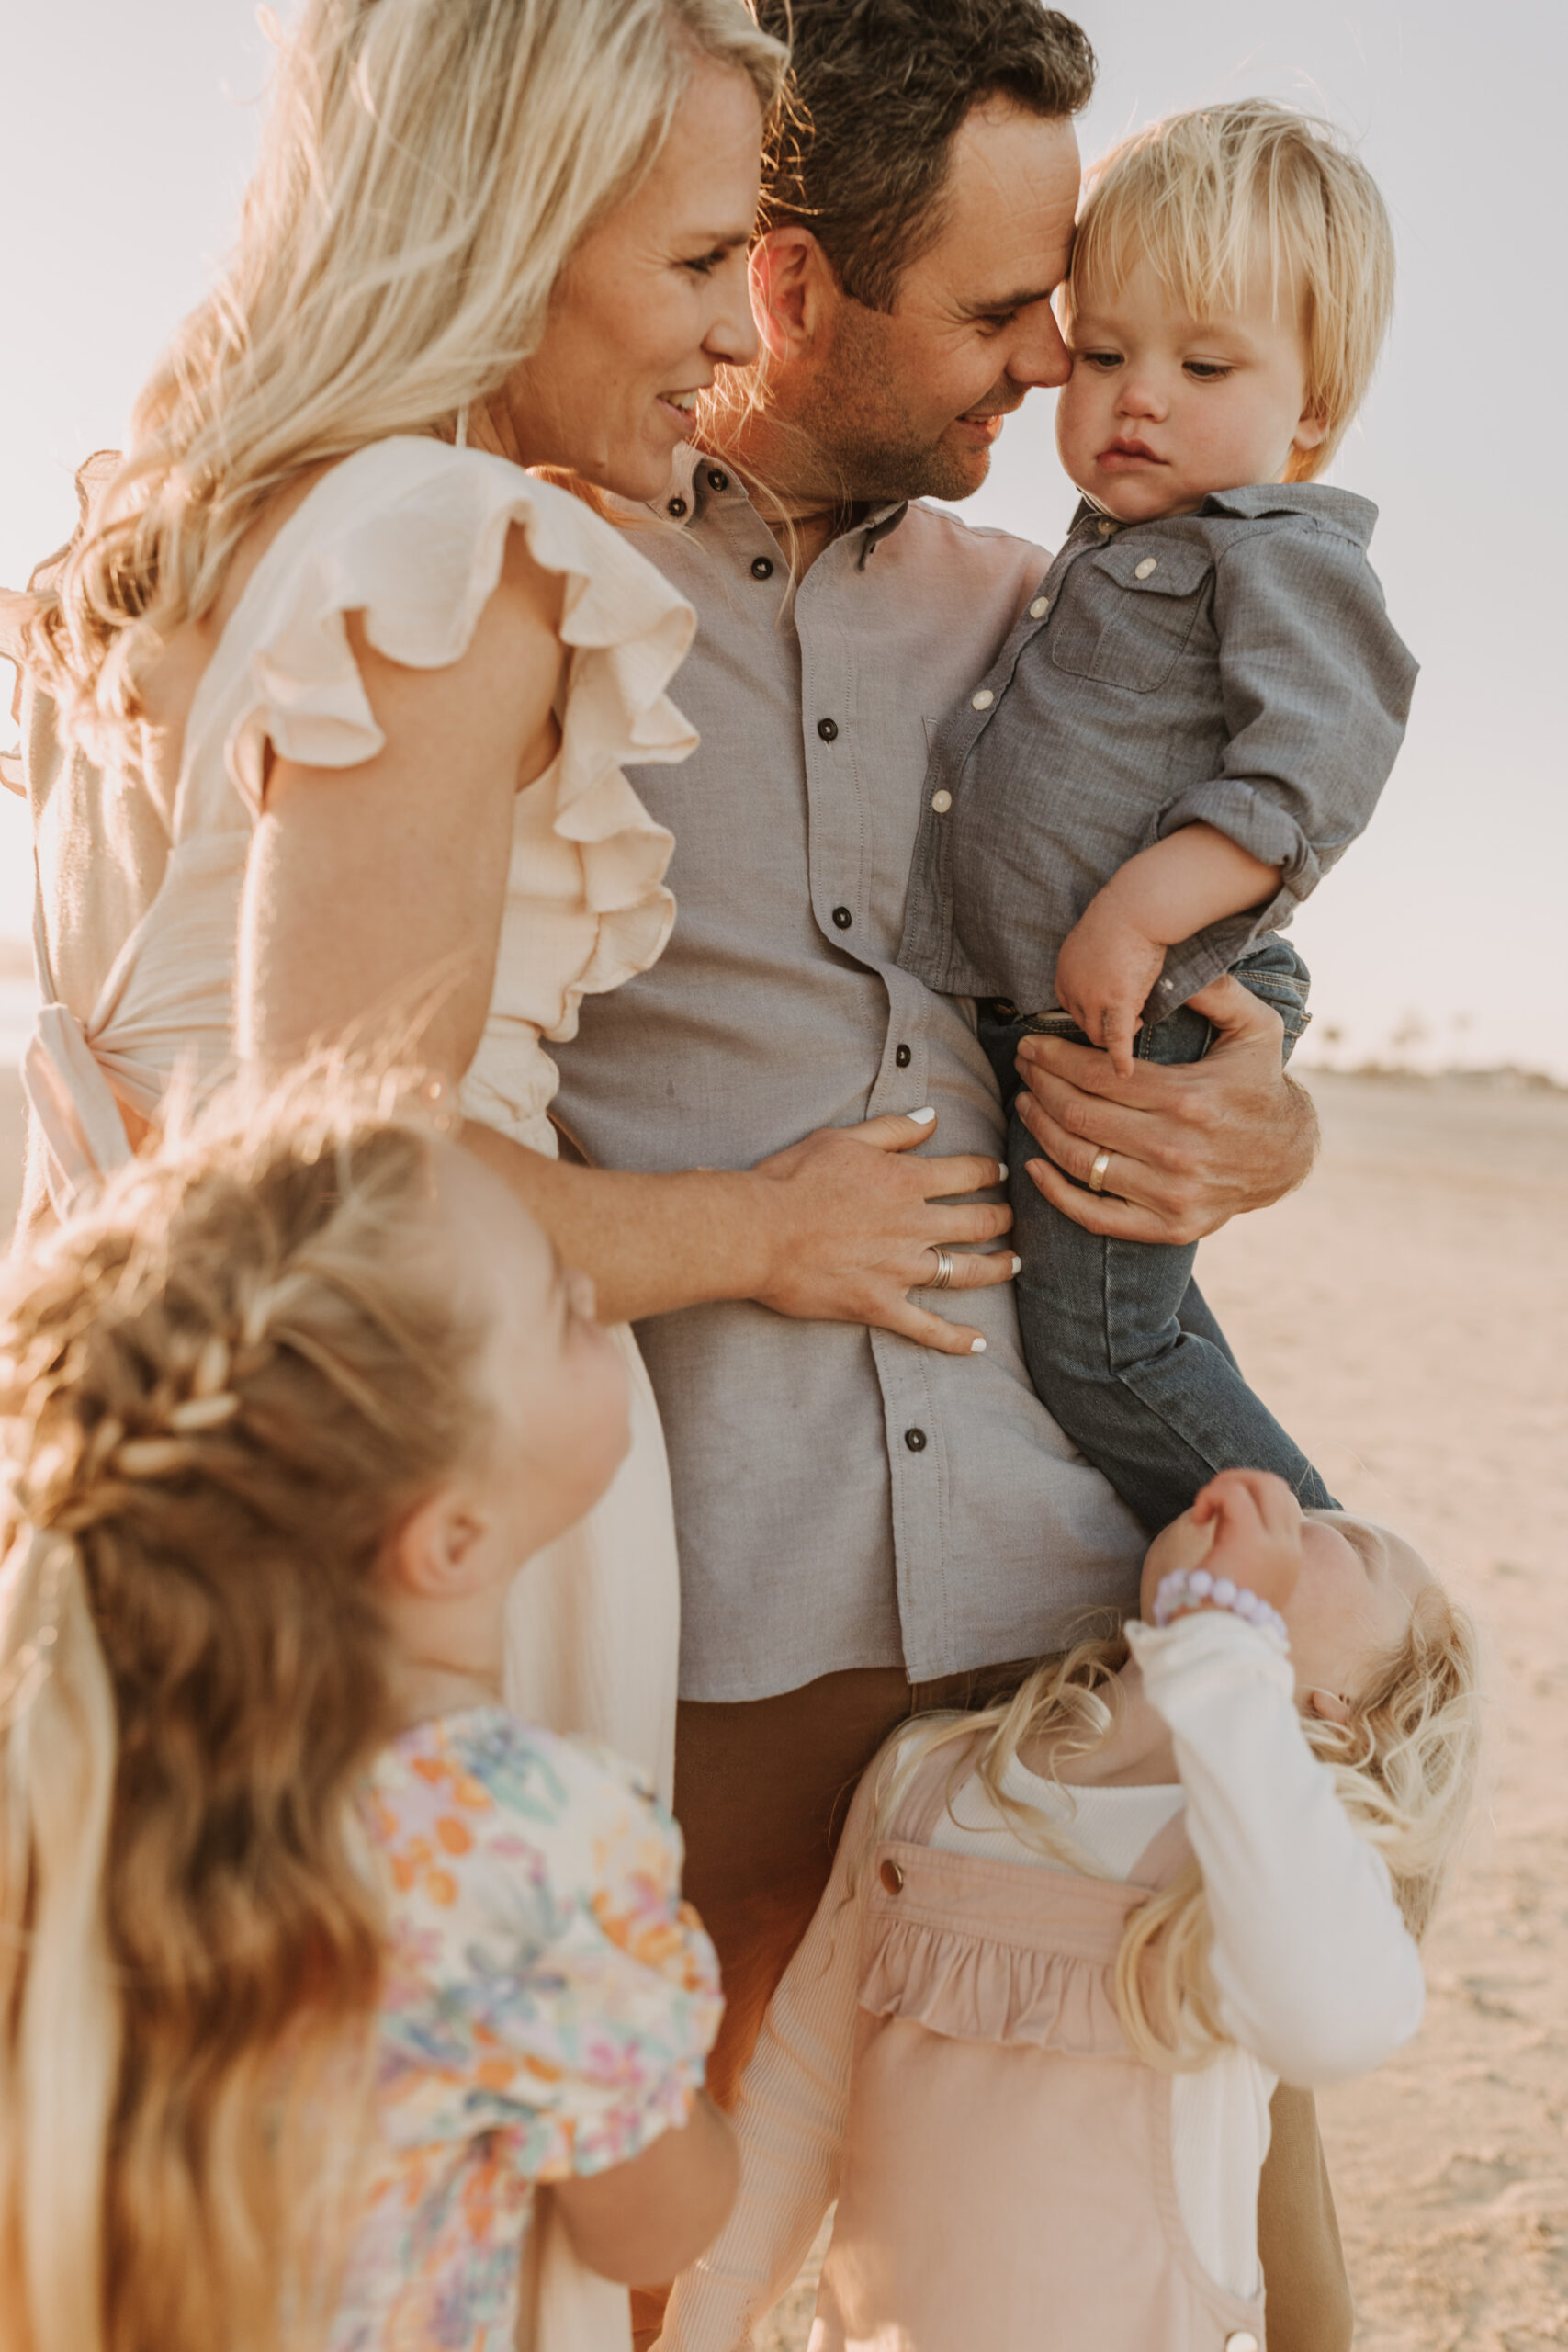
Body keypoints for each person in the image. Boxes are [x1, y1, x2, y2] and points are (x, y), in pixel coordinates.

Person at [545, 7, 1343, 2341]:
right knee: (695, 2196)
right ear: (788, 278)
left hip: (1058, 1550)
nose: (1049, 365)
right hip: (722, 1582)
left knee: (1215, 2131)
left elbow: (1248, 959)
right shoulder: (549, 580)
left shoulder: (1058, 610)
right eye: (1005, 315)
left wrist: (1262, 1114)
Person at [0, 1071, 738, 2352]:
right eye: (567, 1315)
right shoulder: (521, 1847)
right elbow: (652, 2228)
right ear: (448, 1536)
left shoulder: (67, 1761)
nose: (592, 1308)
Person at [899, 100, 1418, 1536]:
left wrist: (1140, 911)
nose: (1137, 397)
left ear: (1305, 410)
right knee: (1103, 1324)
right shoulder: (1105, 555)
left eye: (1202, 365)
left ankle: (1328, 1580)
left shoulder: (1282, 556)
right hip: (1067, 1010)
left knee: (1106, 1345)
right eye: (1106, 350)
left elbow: (1314, 768)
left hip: (1154, 1004)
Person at [659, 1469, 1480, 2351]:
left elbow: (1339, 2025)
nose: (1296, 1513)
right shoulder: (927, 1780)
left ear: (1349, 1718)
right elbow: (799, 2096)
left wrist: (1219, 1656)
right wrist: (700, 2329)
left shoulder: (1246, 1868)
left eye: (1350, 1544)